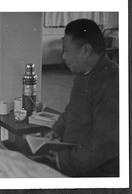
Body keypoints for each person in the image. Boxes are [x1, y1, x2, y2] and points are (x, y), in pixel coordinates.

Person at [43, 19, 119, 177]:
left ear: (86, 50)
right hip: (73, 155)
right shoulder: (84, 74)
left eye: (66, 50)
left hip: (96, 170)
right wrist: (56, 130)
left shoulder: (111, 81)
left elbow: (104, 143)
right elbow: (72, 109)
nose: (63, 57)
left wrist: (63, 160)